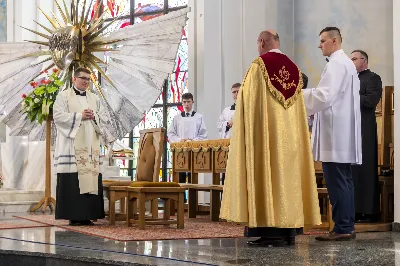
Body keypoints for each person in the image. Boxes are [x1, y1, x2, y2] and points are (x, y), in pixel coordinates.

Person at [220, 29, 321, 247]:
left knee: (268, 175)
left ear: (263, 42)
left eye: (258, 43)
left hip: (266, 140)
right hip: (291, 143)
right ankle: (289, 233)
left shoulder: (259, 66)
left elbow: (247, 104)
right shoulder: (295, 69)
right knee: (288, 179)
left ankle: (270, 232)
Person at [303, 27, 362, 241]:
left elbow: (324, 96)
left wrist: (297, 96)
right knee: (343, 180)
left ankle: (343, 227)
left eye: (322, 41)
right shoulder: (344, 63)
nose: (319, 45)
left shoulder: (337, 64)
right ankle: (345, 225)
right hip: (339, 132)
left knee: (337, 181)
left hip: (335, 134)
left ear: (334, 41)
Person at [54, 67, 114, 226]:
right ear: (74, 79)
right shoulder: (63, 96)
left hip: (90, 145)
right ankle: (74, 216)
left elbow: (104, 119)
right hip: (72, 145)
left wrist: (94, 117)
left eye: (88, 79)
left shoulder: (95, 98)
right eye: (83, 78)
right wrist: (79, 116)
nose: (86, 81)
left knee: (91, 178)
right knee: (74, 179)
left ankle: (89, 214)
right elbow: (58, 117)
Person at [350, 50, 382, 223]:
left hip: (365, 128)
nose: (351, 61)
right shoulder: (350, 79)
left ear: (364, 60)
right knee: (352, 170)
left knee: (366, 169)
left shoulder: (373, 78)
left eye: (354, 58)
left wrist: (351, 94)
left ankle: (369, 211)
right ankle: (353, 210)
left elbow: (371, 101)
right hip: (350, 128)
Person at [167, 92, 207, 185]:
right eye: (184, 102)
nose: (186, 104)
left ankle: (192, 199)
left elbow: (203, 134)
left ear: (192, 102)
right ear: (182, 103)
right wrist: (179, 140)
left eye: (188, 102)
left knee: (192, 177)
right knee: (180, 176)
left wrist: (193, 141)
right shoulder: (177, 118)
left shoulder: (199, 117)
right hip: (180, 151)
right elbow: (171, 133)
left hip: (194, 150)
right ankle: (181, 199)